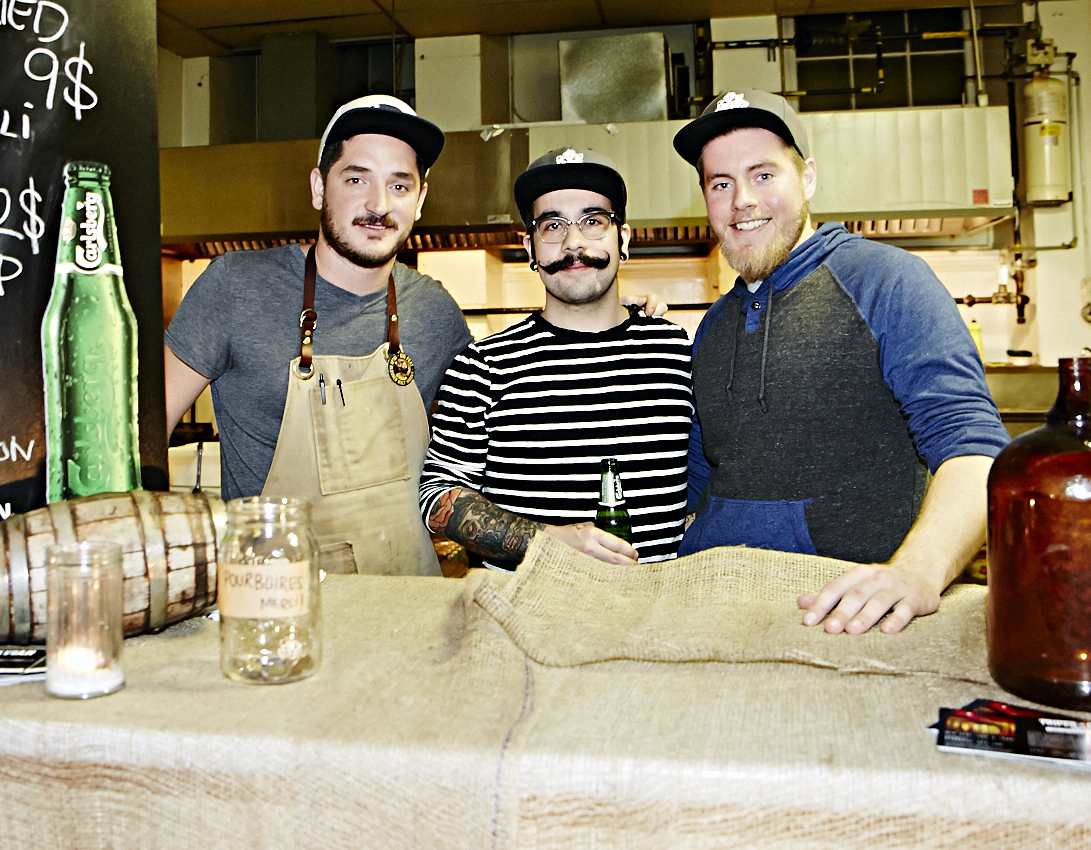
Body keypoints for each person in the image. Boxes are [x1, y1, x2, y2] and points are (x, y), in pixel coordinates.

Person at [671, 89, 1009, 634]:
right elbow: (699, 477)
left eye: (763, 175)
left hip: (843, 618)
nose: (742, 201)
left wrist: (917, 572)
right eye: (721, 183)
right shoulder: (713, 326)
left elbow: (972, 446)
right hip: (715, 607)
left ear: (806, 179)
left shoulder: (888, 282)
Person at [164, 96, 471, 576]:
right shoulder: (235, 288)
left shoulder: (436, 312)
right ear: (318, 187)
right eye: (356, 179)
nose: (379, 205)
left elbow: (482, 455)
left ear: (421, 201)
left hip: (410, 613)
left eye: (399, 185)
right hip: (275, 607)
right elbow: (139, 440)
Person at [420, 148, 693, 570]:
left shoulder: (676, 353)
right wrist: (541, 542)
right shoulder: (482, 366)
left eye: (593, 221)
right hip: (524, 620)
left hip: (660, 617)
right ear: (530, 247)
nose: (574, 243)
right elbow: (436, 493)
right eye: (553, 225)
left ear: (624, 239)